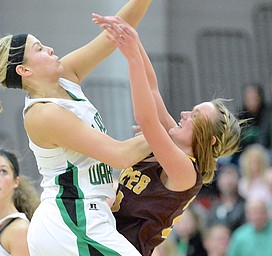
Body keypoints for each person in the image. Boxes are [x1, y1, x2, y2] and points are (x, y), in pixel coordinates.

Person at [0, 1, 153, 255]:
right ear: (24, 69)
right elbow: (121, 155)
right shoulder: (43, 113)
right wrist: (172, 134)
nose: (50, 49)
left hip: (83, 216)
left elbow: (116, 31)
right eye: (39, 49)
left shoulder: (66, 77)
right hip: (69, 219)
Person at [93, 15, 241, 256]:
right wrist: (133, 38)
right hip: (106, 238)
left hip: (123, 250)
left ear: (209, 139)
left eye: (194, 116)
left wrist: (132, 58)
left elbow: (147, 120)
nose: (184, 114)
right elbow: (152, 88)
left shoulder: (186, 173)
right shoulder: (174, 139)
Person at [206, 164, 246, 232]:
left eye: (231, 178)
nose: (227, 182)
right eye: (224, 178)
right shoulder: (214, 204)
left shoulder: (244, 205)